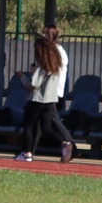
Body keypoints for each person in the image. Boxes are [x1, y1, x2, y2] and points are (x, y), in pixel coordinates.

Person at [15, 24, 72, 163]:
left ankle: (27, 153)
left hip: (38, 99)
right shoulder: (54, 66)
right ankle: (65, 143)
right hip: (50, 99)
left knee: (28, 125)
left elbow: (33, 85)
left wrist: (22, 77)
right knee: (46, 127)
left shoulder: (42, 67)